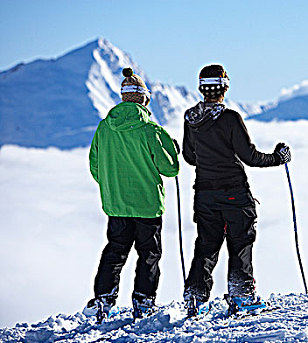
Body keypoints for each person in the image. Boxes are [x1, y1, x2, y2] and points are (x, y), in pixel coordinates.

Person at [182, 64, 291, 316]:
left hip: (204, 194)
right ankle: (242, 296)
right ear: (224, 87)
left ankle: (195, 298)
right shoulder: (230, 118)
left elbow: (189, 156)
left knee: (206, 245)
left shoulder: (190, 118)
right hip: (234, 192)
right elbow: (249, 157)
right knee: (240, 242)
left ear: (201, 88)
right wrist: (278, 158)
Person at [83, 68, 180, 321]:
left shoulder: (104, 128)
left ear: (123, 97)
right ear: (145, 99)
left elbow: (95, 166)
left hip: (116, 205)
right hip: (147, 205)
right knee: (148, 255)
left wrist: (113, 185)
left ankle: (103, 299)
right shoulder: (151, 131)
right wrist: (171, 147)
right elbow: (170, 169)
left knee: (115, 251)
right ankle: (144, 303)